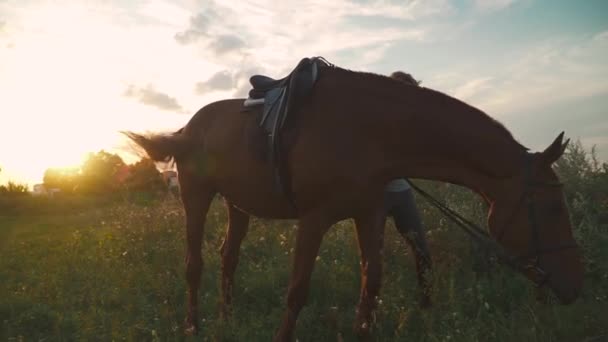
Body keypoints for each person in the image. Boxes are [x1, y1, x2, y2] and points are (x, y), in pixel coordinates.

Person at [383, 71, 432, 305]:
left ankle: (427, 299)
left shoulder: (408, 121)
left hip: (401, 191)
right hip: (376, 194)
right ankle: (372, 302)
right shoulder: (378, 116)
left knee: (421, 247)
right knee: (374, 252)